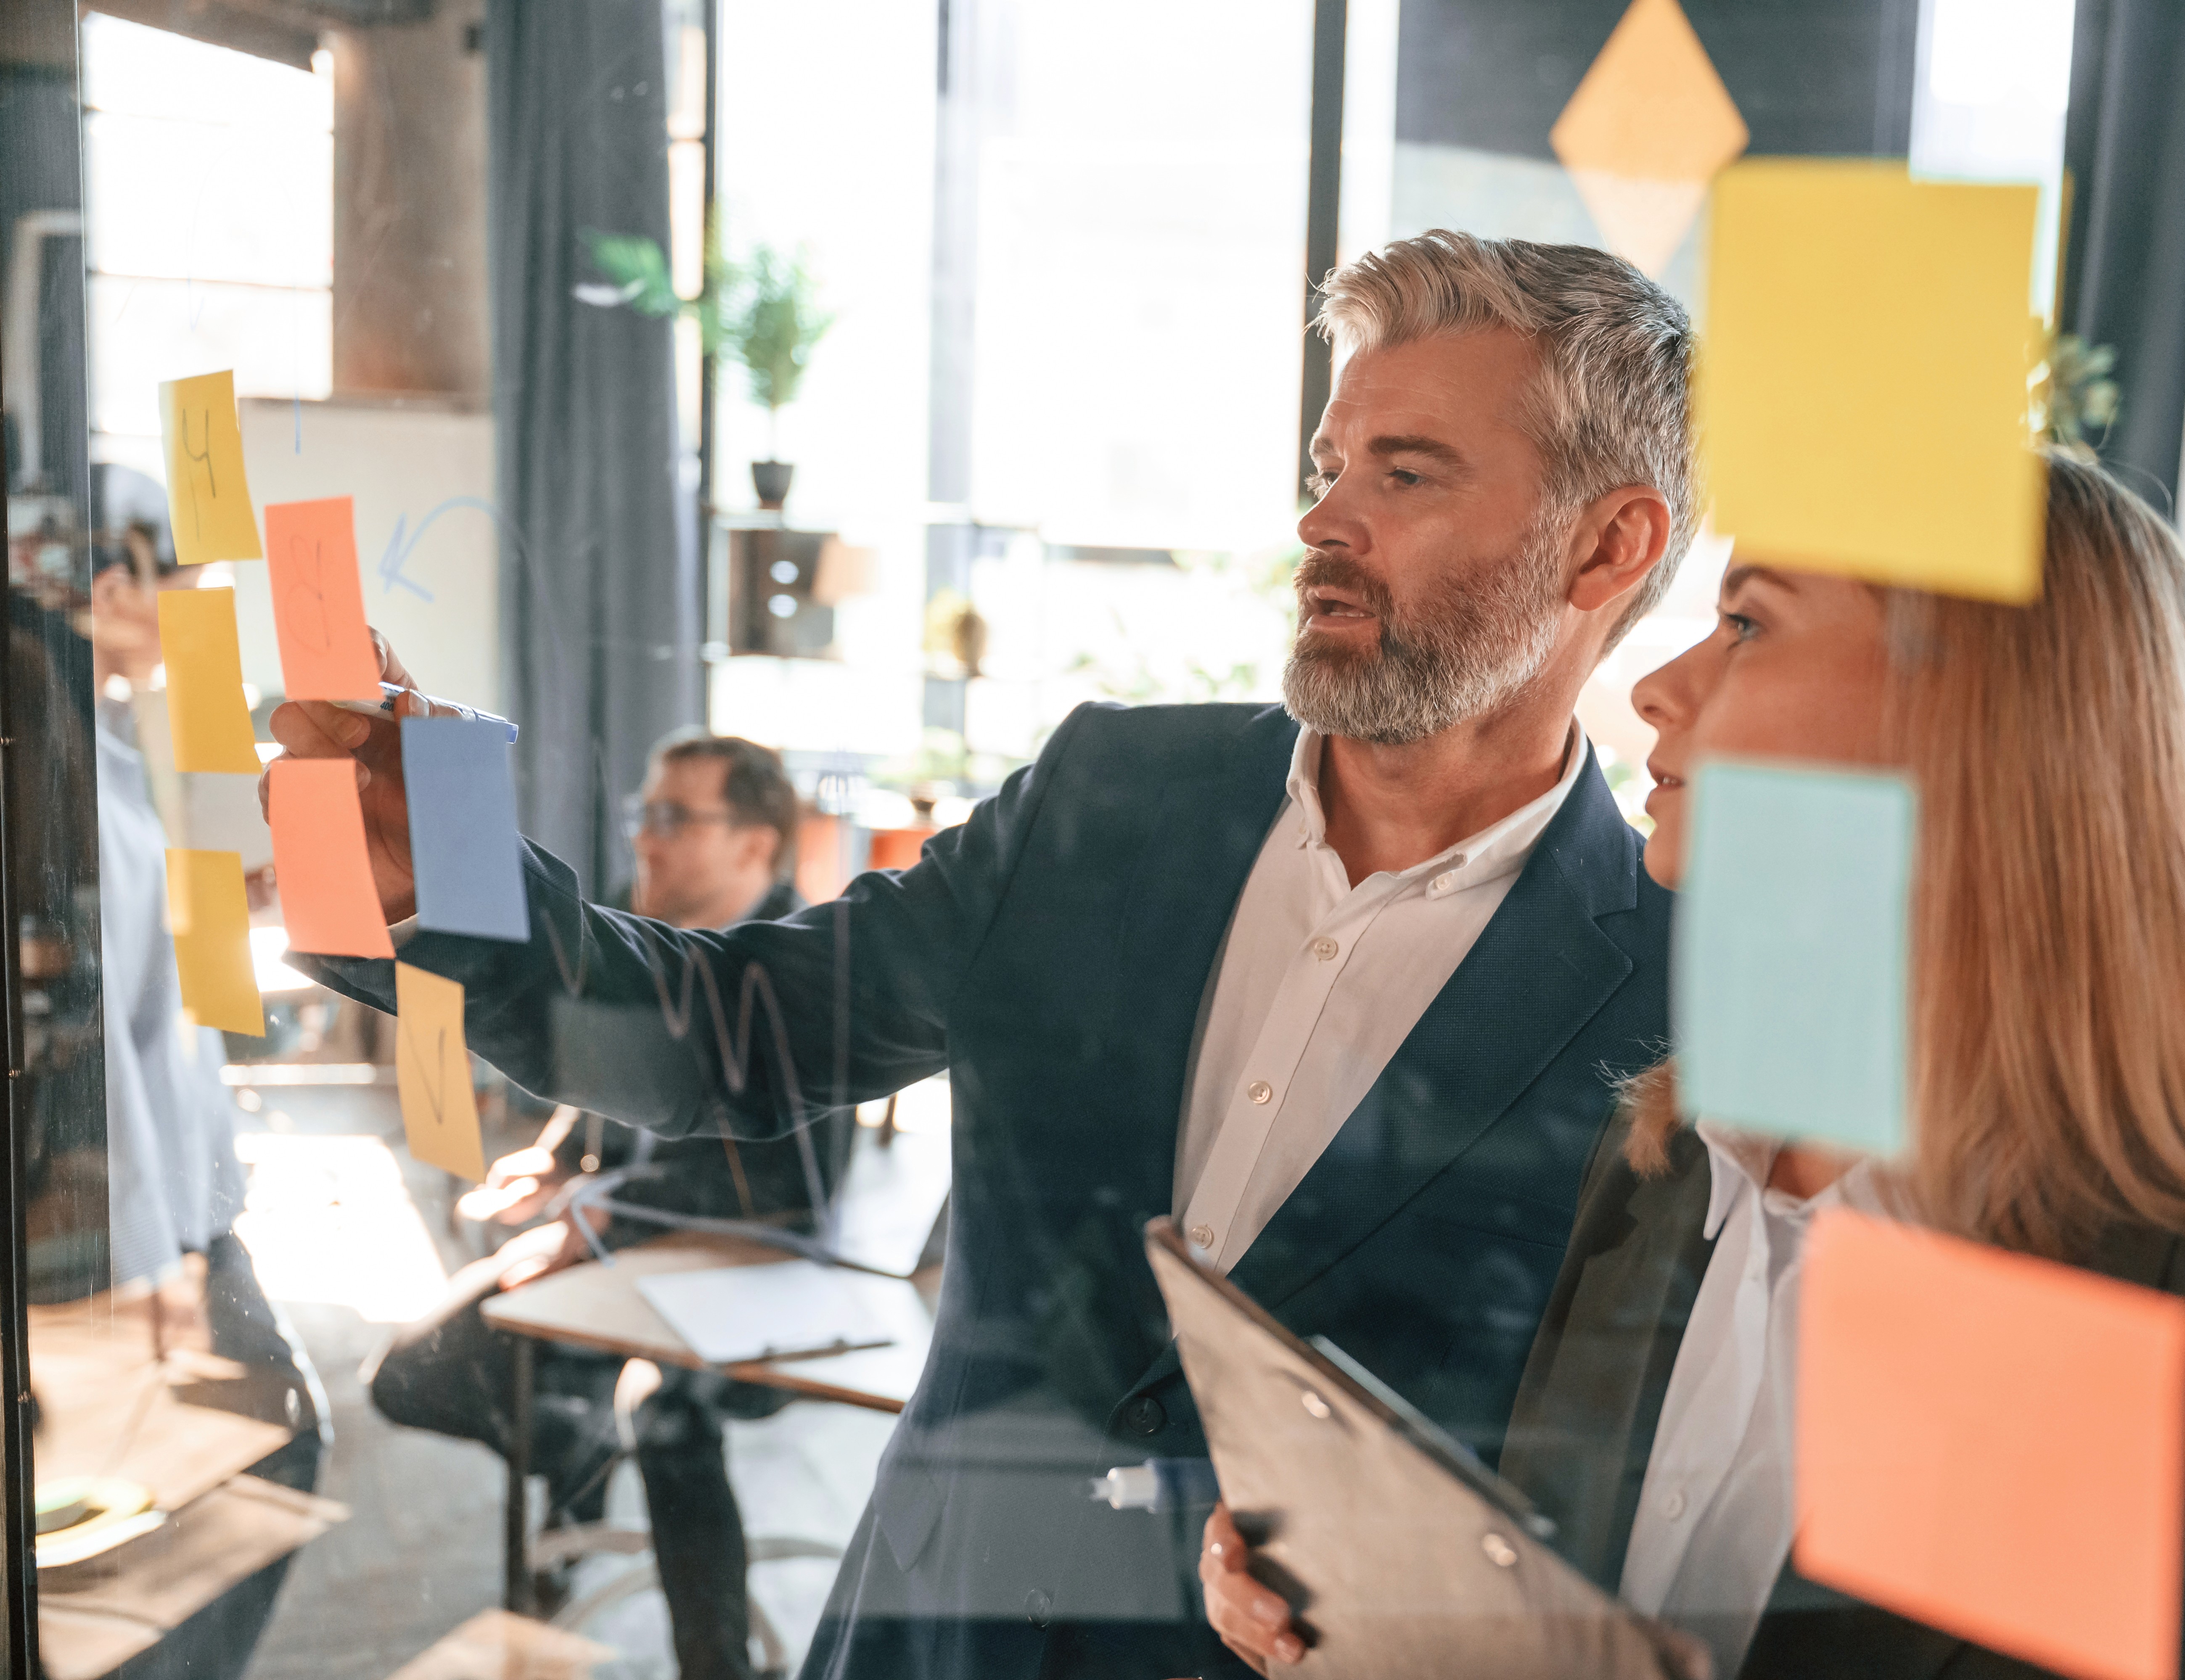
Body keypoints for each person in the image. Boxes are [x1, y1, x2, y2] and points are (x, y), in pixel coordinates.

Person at [265, 230, 1693, 1680]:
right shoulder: (1109, 794)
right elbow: (729, 1031)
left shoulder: (1671, 984)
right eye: (1329, 466)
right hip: (932, 1627)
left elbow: (1635, 1462)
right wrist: (433, 882)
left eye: (1406, 473)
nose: (1326, 519)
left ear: (1605, 543)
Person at [1196, 451, 2185, 1679]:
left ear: (1981, 709)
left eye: (1747, 624)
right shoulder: (1664, 1167)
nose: (1657, 689)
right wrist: (1380, 1612)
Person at [368, 730, 845, 1680]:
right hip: (616, 1247)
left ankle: (718, 1664)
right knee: (412, 1374)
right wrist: (554, 1167)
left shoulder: (807, 975)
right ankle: (578, 1466)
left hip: (753, 1270)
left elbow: (782, 1194)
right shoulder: (646, 932)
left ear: (755, 844)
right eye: (644, 815)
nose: (645, 841)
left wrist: (593, 1215)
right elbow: (603, 1092)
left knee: (662, 1412)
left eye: (673, 819)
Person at [86, 464, 331, 1680]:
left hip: (182, 1200)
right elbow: (86, 1011)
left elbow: (129, 944)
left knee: (254, 1451)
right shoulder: (55, 751)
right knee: (252, 1449)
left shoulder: (106, 733)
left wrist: (237, 903)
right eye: (189, 586)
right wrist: (144, 1263)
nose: (197, 615)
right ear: (115, 579)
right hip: (142, 1219)